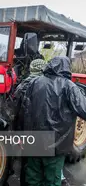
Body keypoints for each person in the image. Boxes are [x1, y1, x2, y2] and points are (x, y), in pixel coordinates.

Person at [14, 56, 86, 186]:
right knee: (52, 180)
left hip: (33, 142)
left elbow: (23, 111)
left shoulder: (34, 82)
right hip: (55, 145)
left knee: (32, 179)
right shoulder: (68, 86)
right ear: (66, 69)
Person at [13, 58, 47, 186]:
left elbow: (15, 113)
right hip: (40, 134)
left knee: (25, 165)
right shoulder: (45, 86)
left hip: (23, 133)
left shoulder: (21, 85)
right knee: (37, 169)